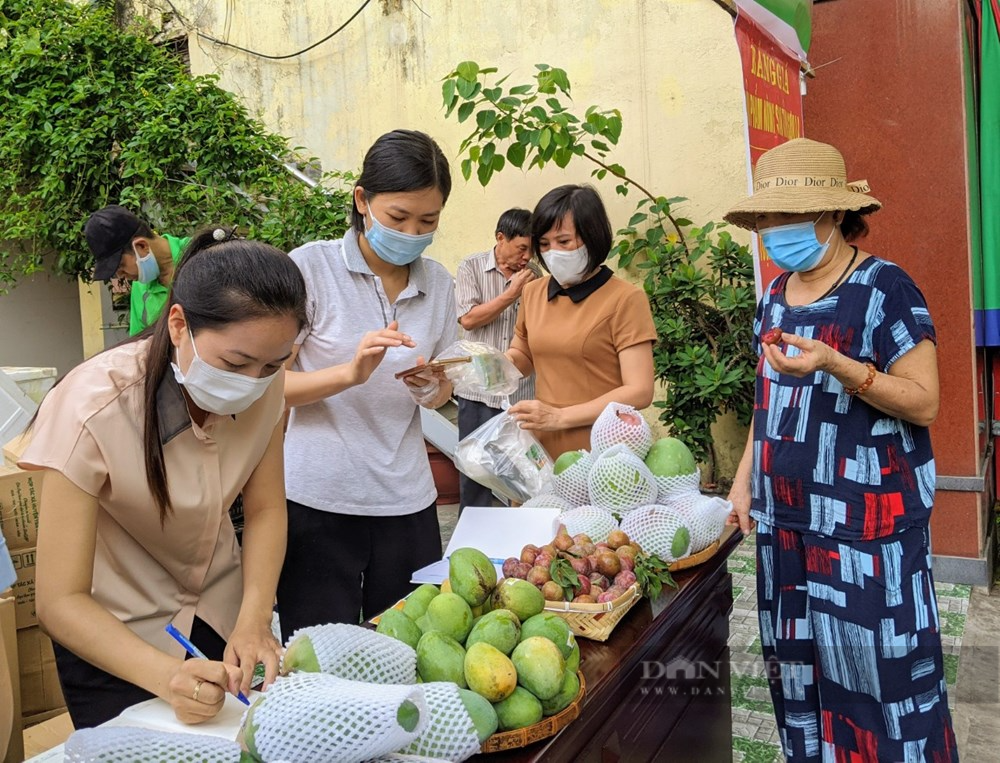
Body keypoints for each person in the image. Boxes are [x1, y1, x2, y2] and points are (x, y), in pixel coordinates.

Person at [723, 138, 957, 761]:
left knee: (882, 687)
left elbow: (925, 401)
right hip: (785, 527)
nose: (772, 231)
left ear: (831, 216)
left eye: (783, 217)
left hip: (867, 533)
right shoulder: (775, 294)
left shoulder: (885, 289)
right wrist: (746, 480)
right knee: (796, 681)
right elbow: (765, 398)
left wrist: (839, 366)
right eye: (765, 219)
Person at [19, 229, 307, 729]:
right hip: (114, 639)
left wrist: (254, 619)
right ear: (178, 325)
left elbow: (265, 509)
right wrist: (167, 676)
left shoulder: (267, 387)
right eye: (235, 363)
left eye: (272, 365)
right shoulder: (92, 406)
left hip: (220, 614)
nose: (253, 382)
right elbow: (59, 600)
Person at [277, 129, 457, 639]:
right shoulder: (310, 268)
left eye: (428, 221)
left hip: (407, 502)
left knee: (409, 651)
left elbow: (443, 389)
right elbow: (268, 387)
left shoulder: (438, 283)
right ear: (362, 200)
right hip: (318, 501)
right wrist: (349, 374)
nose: (412, 232)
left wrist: (432, 388)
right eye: (398, 218)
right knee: (317, 654)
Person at [505, 184, 656, 459]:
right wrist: (488, 365)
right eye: (544, 244)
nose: (553, 253)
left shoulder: (626, 299)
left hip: (604, 448)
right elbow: (522, 355)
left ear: (593, 237)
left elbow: (640, 390)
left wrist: (561, 416)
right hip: (542, 443)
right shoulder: (533, 292)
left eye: (564, 242)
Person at [455, 208, 538, 510]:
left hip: (520, 393)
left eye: (532, 249)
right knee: (475, 472)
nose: (527, 257)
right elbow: (468, 319)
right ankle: (472, 538)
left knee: (522, 474)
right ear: (500, 238)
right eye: (522, 248)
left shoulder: (535, 277)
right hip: (478, 391)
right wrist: (511, 294)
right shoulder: (471, 267)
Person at [86, 205, 192, 335]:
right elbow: (139, 345)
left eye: (121, 266)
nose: (120, 276)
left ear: (142, 245)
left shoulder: (200, 255)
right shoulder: (140, 288)